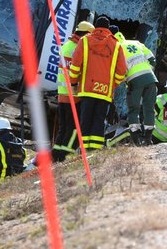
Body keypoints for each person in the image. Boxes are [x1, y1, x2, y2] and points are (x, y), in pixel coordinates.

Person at [69, 14, 128, 150]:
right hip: (104, 91)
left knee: (85, 119)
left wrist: (73, 83)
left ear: (95, 27)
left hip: (87, 88)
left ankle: (82, 150)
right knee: (99, 120)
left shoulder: (84, 41)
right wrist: (112, 85)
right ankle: (94, 150)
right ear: (108, 28)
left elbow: (75, 65)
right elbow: (121, 72)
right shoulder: (117, 45)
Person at [52, 19, 94, 162]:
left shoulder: (66, 46)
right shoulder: (77, 48)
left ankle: (56, 153)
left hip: (62, 94)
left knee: (63, 127)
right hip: (73, 94)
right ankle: (65, 154)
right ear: (85, 35)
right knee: (74, 127)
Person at [116, 31, 158, 145]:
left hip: (135, 80)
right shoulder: (137, 43)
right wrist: (145, 70)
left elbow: (119, 70)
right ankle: (148, 139)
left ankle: (136, 139)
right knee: (149, 107)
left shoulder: (117, 47)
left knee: (133, 109)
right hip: (151, 79)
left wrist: (124, 79)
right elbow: (153, 60)